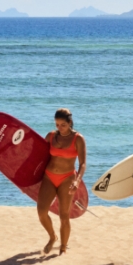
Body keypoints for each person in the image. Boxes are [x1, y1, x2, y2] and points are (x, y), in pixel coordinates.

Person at [37, 108, 87, 255]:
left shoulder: (78, 139)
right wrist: (26, 181)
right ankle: (52, 237)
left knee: (64, 216)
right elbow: (38, 158)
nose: (59, 128)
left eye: (62, 125)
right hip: (49, 177)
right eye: (57, 125)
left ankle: (63, 247)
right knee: (41, 212)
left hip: (67, 179)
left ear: (70, 122)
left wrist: (77, 181)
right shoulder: (50, 136)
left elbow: (82, 164)